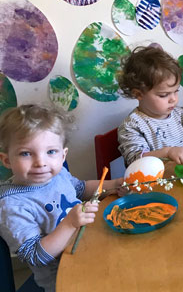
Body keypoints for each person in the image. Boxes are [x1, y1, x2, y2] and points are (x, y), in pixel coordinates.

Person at [0, 105, 124, 292]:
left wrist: (114, 184)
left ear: (63, 154)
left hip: (93, 250)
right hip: (64, 279)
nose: (41, 162)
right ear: (7, 160)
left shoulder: (57, 175)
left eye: (51, 152)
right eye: (26, 153)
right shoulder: (11, 204)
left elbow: (81, 188)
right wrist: (69, 224)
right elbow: (35, 256)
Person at [118, 46, 183, 166]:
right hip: (155, 183)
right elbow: (136, 161)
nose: (173, 99)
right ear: (139, 94)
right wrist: (168, 152)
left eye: (176, 91)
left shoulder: (181, 115)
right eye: (164, 95)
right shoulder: (132, 126)